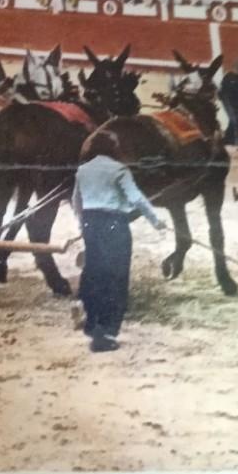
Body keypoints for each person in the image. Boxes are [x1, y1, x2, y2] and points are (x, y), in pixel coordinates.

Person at [72, 136, 167, 352]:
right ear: (113, 148)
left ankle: (92, 323)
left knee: (94, 271)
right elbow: (136, 199)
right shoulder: (119, 169)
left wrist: (82, 224)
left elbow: (76, 200)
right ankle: (106, 332)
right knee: (116, 276)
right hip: (114, 224)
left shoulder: (83, 170)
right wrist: (155, 220)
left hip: (90, 222)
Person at [218, 59, 238, 146]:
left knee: (236, 121)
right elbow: (223, 91)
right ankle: (237, 140)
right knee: (235, 120)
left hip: (237, 102)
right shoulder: (229, 77)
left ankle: (229, 139)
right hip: (227, 100)